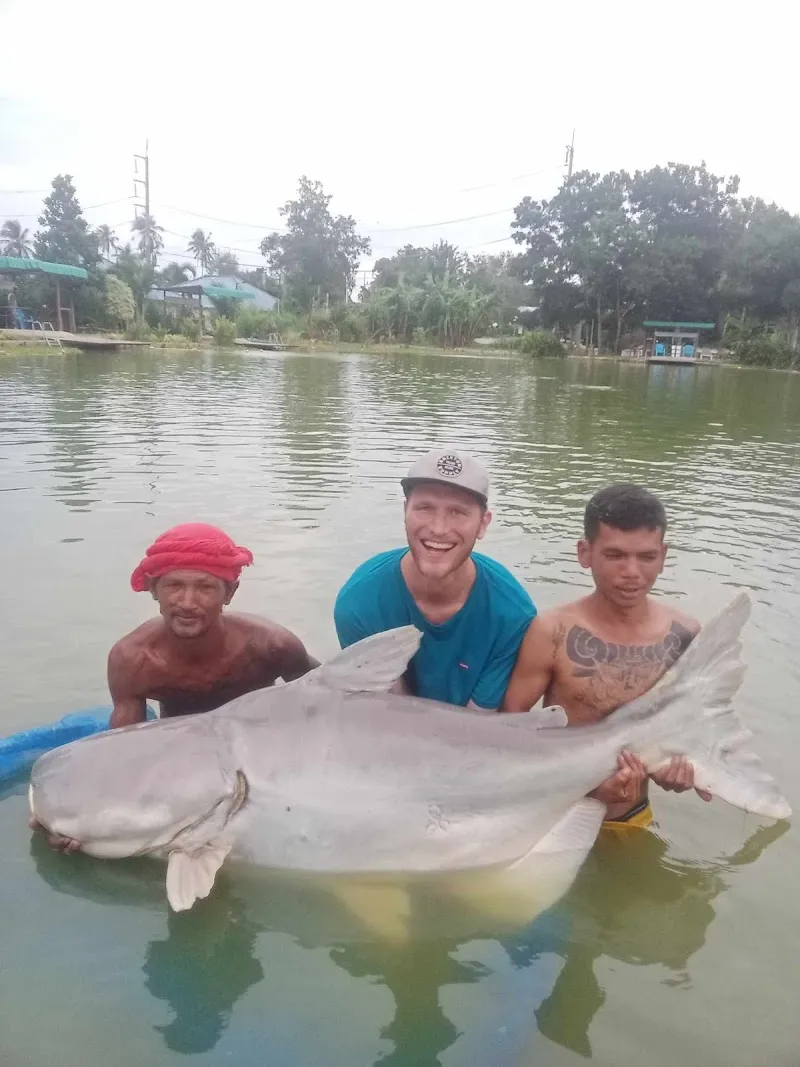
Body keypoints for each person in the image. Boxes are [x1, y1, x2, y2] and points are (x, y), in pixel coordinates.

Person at [32, 522, 317, 851]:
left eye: (206, 588)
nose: (187, 602)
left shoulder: (271, 645)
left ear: (230, 592)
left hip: (263, 757)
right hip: (180, 769)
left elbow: (327, 700)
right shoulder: (133, 659)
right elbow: (124, 752)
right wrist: (79, 818)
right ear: (153, 589)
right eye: (173, 586)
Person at [503, 483, 711, 826]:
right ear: (585, 553)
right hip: (556, 813)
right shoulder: (552, 631)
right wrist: (588, 787)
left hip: (630, 813)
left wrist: (678, 771)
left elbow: (690, 728)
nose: (632, 572)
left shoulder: (685, 635)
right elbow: (511, 730)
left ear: (663, 556)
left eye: (646, 556)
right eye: (615, 555)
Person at [334, 448, 536, 710]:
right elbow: (388, 711)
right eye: (425, 508)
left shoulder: (512, 613)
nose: (438, 528)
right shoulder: (358, 603)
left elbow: (480, 722)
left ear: (483, 523)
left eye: (458, 512)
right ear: (405, 511)